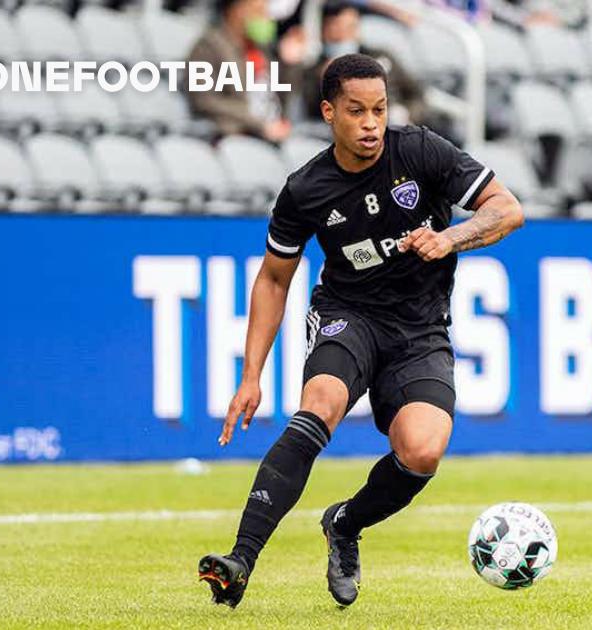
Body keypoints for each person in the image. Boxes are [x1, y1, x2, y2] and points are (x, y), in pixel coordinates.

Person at [197, 53, 524, 609]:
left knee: (422, 450)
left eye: (379, 109)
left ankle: (344, 523)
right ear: (329, 112)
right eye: (356, 111)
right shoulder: (305, 189)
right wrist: (250, 375)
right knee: (319, 402)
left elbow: (507, 209)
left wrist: (452, 238)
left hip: (420, 329)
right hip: (349, 315)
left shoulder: (420, 150)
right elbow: (274, 279)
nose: (371, 123)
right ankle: (241, 559)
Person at [301, 1, 432, 129]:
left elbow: (417, 95)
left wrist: (406, 113)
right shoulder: (313, 71)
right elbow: (311, 113)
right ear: (324, 31)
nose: (343, 35)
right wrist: (324, 81)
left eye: (350, 28)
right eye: (336, 29)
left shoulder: (381, 57)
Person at [186, 0, 293, 142]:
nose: (266, 18)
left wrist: (290, 64)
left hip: (271, 132)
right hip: (237, 134)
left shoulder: (261, 49)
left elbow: (281, 101)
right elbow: (205, 101)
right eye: (259, 12)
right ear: (237, 11)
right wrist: (258, 123)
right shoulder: (207, 46)